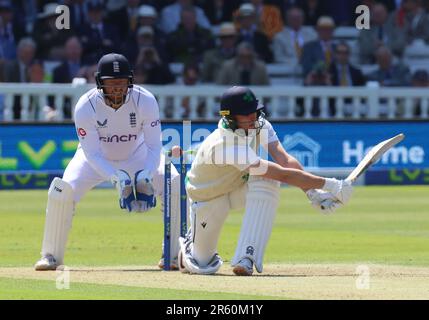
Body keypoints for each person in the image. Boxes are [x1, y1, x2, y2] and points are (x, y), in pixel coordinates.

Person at [178, 86, 353, 276]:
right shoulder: (225, 145)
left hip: (236, 187)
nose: (253, 118)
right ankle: (189, 246)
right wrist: (332, 185)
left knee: (267, 181)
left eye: (254, 111)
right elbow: (283, 174)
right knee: (202, 265)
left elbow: (285, 160)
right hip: (207, 198)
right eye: (246, 115)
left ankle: (246, 258)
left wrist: (313, 193)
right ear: (231, 117)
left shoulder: (259, 124)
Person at [34, 53, 183, 271]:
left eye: (121, 83)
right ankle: (51, 256)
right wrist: (117, 177)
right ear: (99, 82)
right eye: (111, 83)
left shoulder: (146, 100)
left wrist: (145, 175)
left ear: (129, 81)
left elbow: (153, 147)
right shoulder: (86, 106)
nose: (116, 89)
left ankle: (172, 253)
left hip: (139, 155)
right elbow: (92, 153)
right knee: (61, 191)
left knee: (174, 182)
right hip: (94, 160)